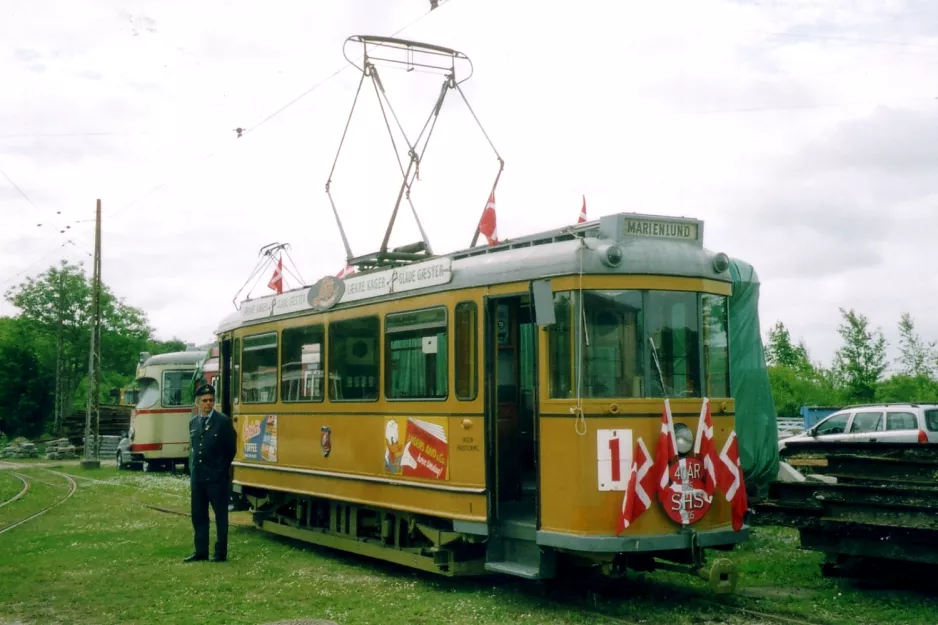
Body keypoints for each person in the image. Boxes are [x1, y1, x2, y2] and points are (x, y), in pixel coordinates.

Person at [184, 383, 237, 563]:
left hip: (216, 479)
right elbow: (194, 449)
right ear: (198, 403)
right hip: (198, 479)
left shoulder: (222, 422)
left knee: (220, 517)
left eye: (211, 400)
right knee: (198, 515)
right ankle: (200, 551)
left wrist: (220, 470)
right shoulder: (194, 422)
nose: (208, 403)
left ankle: (220, 553)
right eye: (205, 400)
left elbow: (231, 449)